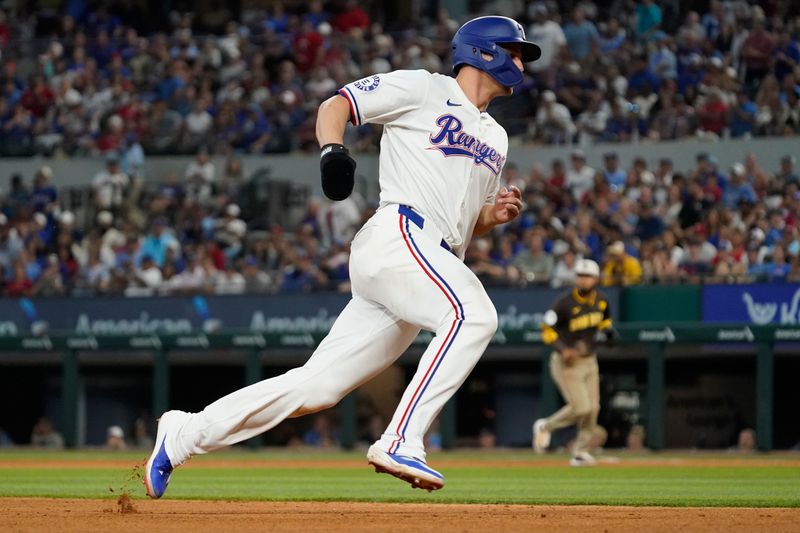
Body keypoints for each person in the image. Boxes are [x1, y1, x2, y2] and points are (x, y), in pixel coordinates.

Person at [144, 15, 537, 498]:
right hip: (399, 237)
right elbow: (338, 103)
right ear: (483, 52)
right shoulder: (423, 88)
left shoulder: (496, 136)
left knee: (317, 387)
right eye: (515, 50)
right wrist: (333, 150)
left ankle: (184, 434)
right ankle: (401, 439)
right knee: (474, 316)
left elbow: (464, 221)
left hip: (425, 262)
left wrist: (489, 218)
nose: (521, 60)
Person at [532, 259, 616, 466]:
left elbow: (605, 323)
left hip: (590, 360)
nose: (583, 279)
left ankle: (581, 452)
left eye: (587, 276)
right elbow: (546, 329)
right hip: (568, 362)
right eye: (580, 275)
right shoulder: (565, 302)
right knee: (582, 408)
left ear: (596, 279)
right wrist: (563, 349)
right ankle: (545, 427)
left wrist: (608, 333)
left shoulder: (602, 301)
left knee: (593, 408)